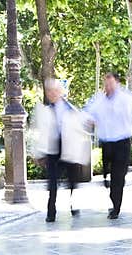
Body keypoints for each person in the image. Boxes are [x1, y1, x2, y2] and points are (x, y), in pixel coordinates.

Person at [32, 79, 89, 221]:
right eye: (49, 91)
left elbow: (81, 130)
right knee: (52, 182)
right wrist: (37, 153)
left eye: (55, 90)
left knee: (72, 181)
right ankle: (51, 212)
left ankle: (73, 204)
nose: (52, 93)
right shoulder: (44, 111)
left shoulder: (71, 110)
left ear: (61, 92)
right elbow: (39, 133)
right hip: (53, 150)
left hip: (69, 149)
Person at [84, 72, 132, 220]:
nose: (107, 87)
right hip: (107, 143)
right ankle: (113, 195)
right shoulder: (99, 100)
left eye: (110, 83)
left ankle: (116, 206)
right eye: (105, 84)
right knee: (106, 174)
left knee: (118, 176)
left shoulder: (126, 99)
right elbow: (88, 113)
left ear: (117, 83)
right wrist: (91, 120)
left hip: (122, 142)